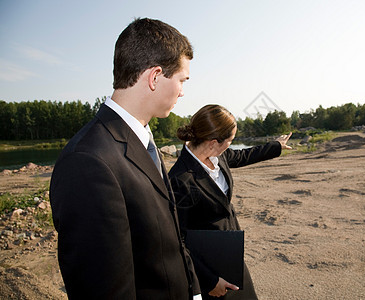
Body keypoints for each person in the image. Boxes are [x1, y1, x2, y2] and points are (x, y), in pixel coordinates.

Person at [50, 18, 202, 299]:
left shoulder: (142, 141)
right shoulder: (88, 161)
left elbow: (169, 239)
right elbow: (104, 288)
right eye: (182, 80)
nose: (183, 90)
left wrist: (193, 291)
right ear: (155, 77)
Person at [168, 105, 292, 299]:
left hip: (231, 253)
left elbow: (244, 156)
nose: (231, 145)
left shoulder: (218, 156)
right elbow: (178, 240)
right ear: (213, 142)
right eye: (231, 140)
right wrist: (209, 280)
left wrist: (275, 146)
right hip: (208, 267)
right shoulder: (180, 179)